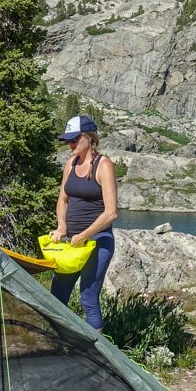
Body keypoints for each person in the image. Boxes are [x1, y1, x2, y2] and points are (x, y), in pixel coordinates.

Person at [49, 113, 118, 331]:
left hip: (97, 240)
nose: (70, 144)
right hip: (73, 242)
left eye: (74, 139)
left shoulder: (103, 165)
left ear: (89, 137)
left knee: (88, 297)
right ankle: (59, 343)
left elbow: (111, 213)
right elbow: (62, 198)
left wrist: (84, 235)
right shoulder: (70, 163)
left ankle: (95, 353)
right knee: (57, 294)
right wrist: (62, 226)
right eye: (68, 140)